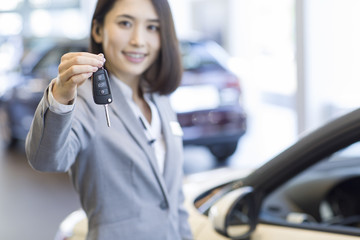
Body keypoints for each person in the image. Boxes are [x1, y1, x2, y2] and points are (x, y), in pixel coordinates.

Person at [25, 0, 193, 239]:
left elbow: (175, 201)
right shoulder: (82, 101)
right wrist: (62, 94)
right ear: (98, 29)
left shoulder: (159, 99)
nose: (138, 40)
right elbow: (46, 160)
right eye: (125, 23)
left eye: (152, 27)